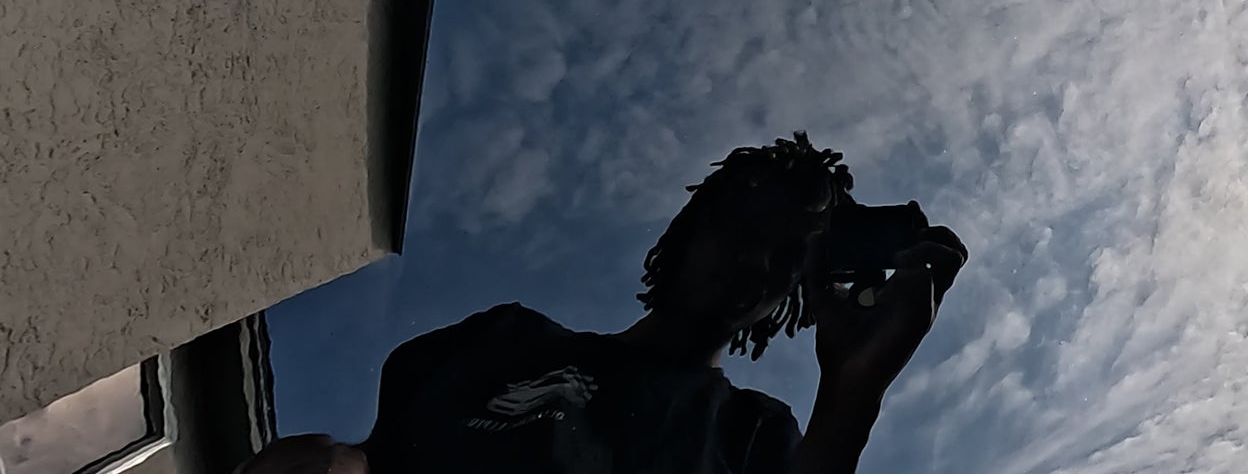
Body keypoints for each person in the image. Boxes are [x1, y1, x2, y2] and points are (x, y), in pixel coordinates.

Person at [236, 133, 967, 474]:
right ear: (688, 228)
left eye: (788, 256)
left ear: (791, 299)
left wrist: (851, 396)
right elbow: (379, 456)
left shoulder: (751, 436)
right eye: (746, 228)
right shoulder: (505, 339)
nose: (756, 261)